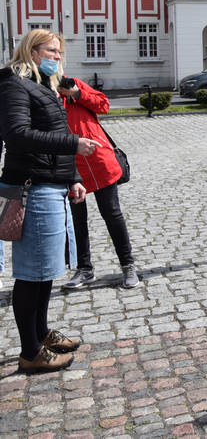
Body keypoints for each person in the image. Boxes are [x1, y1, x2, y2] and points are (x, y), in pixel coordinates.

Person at [0, 29, 103, 373]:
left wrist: (72, 178)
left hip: (52, 184)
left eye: (59, 52)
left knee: (45, 273)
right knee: (32, 274)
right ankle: (30, 351)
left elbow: (54, 139)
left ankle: (42, 334)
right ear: (32, 50)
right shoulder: (15, 85)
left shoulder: (44, 86)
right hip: (33, 188)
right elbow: (17, 134)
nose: (57, 57)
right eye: (51, 51)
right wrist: (73, 145)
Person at [58, 77, 139, 290]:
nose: (55, 59)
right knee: (77, 221)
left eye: (57, 54)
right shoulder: (43, 91)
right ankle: (84, 268)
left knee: (112, 214)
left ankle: (127, 264)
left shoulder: (72, 83)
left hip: (98, 160)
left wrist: (76, 93)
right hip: (69, 165)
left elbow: (103, 105)